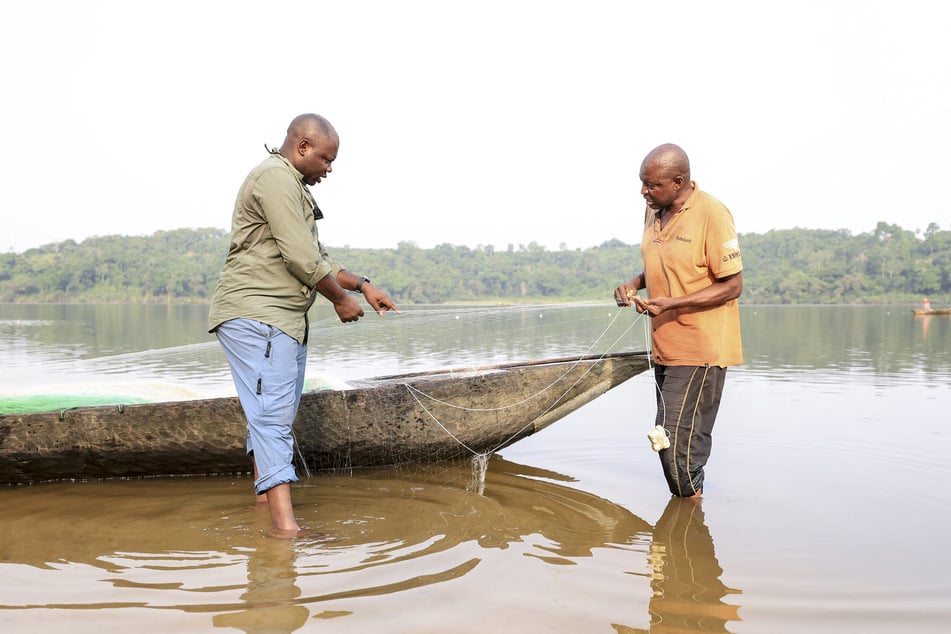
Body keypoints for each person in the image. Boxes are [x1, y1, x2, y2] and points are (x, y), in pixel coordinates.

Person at [208, 113, 399, 537]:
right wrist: (341, 300)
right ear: (303, 148)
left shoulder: (290, 185)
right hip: (258, 315)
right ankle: (286, 531)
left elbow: (319, 258)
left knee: (270, 414)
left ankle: (263, 504)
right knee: (272, 418)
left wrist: (364, 285)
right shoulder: (275, 178)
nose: (329, 170)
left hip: (280, 321)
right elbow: (300, 257)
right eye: (327, 160)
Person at [614, 143, 742, 498]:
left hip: (701, 346)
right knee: (670, 439)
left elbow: (733, 285)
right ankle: (689, 509)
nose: (643, 191)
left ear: (678, 181)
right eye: (642, 183)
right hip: (664, 345)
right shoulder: (654, 211)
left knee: (674, 443)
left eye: (651, 185)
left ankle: (687, 529)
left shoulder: (712, 214)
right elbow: (667, 262)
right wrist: (634, 284)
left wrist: (673, 303)